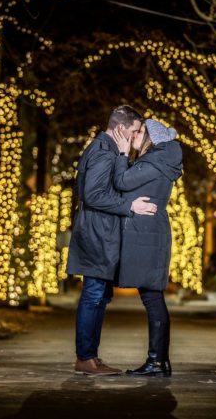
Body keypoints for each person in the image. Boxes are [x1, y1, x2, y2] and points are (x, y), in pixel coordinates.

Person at [66, 105, 158, 376]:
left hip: (97, 229)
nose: (136, 137)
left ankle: (91, 358)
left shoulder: (103, 149)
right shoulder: (104, 152)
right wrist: (130, 205)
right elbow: (93, 195)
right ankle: (86, 358)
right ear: (121, 129)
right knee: (94, 295)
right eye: (134, 131)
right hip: (98, 232)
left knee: (99, 295)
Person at [112, 118, 183, 377]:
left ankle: (157, 362)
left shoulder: (155, 161)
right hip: (150, 234)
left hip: (148, 236)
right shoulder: (158, 160)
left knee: (152, 298)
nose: (134, 136)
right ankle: (159, 361)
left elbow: (122, 182)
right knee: (152, 297)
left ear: (152, 137)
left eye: (139, 132)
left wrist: (122, 153)